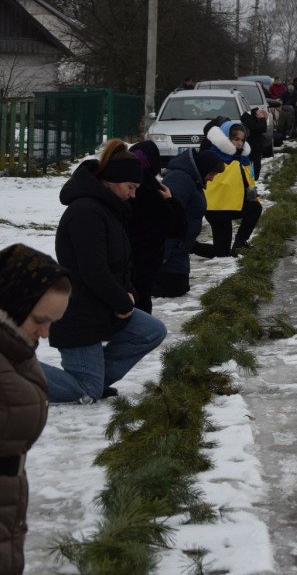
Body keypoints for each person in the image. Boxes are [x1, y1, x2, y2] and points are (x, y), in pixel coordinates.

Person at [43, 140, 168, 403]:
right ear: (111, 181)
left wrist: (129, 293)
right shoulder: (86, 212)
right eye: (131, 188)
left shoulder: (109, 209)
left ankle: (93, 379)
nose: (133, 194)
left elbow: (121, 263)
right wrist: (122, 302)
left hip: (100, 306)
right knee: (86, 391)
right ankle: (15, 372)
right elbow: (93, 269)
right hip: (77, 313)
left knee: (151, 330)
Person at [0, 244, 70, 575]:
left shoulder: (15, 349)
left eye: (51, 323)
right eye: (39, 320)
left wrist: (15, 523)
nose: (44, 334)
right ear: (13, 302)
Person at [154, 150, 225, 299]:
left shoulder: (191, 180)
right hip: (170, 252)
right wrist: (163, 252)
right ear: (204, 168)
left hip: (179, 250)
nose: (211, 179)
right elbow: (167, 217)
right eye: (211, 174)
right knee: (172, 291)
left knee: (179, 289)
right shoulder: (180, 180)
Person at [126, 140, 184, 314]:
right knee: (141, 307)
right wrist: (171, 199)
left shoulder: (121, 186)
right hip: (144, 262)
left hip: (124, 261)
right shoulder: (151, 191)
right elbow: (177, 227)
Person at [195, 121, 261, 258]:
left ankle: (239, 243)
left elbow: (250, 182)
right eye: (236, 139)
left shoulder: (243, 159)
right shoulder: (213, 156)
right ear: (226, 138)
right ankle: (240, 243)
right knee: (254, 209)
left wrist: (252, 198)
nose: (239, 143)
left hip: (231, 206)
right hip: (216, 208)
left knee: (255, 208)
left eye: (242, 140)